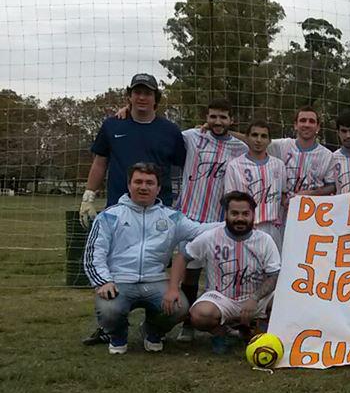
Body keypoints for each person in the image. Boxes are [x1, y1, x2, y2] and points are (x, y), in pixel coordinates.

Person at [79, 73, 187, 347]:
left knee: (152, 267)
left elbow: (180, 168)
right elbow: (100, 162)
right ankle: (111, 326)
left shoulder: (170, 131)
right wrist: (88, 196)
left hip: (157, 212)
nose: (142, 97)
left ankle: (154, 326)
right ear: (129, 96)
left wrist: (177, 202)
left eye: (147, 93)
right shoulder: (112, 125)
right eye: (137, 92)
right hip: (120, 209)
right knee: (115, 266)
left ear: (156, 99)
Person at [83, 162, 207, 354]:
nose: (143, 187)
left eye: (149, 183)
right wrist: (103, 281)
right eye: (138, 182)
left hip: (155, 280)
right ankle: (117, 335)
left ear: (158, 188)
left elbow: (201, 231)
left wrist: (232, 226)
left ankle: (152, 331)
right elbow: (94, 253)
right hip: (118, 281)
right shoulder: (109, 216)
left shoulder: (172, 218)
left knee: (179, 307)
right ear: (129, 185)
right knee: (109, 310)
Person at [165, 191, 281, 354]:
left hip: (255, 298)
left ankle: (255, 330)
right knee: (199, 314)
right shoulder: (211, 236)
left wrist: (255, 298)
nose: (240, 218)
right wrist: (173, 288)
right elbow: (182, 257)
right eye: (234, 213)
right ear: (225, 214)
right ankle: (221, 333)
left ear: (253, 215)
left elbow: (274, 275)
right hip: (222, 298)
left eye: (245, 214)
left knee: (284, 301)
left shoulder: (265, 240)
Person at [174, 98, 249, 342]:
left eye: (223, 117)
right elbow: (165, 134)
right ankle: (187, 323)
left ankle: (224, 322)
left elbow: (259, 142)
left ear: (231, 120)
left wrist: (232, 132)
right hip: (189, 216)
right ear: (206, 117)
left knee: (221, 272)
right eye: (213, 116)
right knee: (190, 271)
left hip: (219, 220)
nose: (218, 121)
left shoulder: (238, 147)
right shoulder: (192, 137)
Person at [224, 121, 287, 251]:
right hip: (247, 228)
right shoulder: (234, 166)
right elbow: (230, 200)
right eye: (254, 135)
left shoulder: (279, 165)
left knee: (273, 263)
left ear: (269, 141)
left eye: (263, 136)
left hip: (273, 229)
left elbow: (283, 196)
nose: (258, 140)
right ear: (247, 138)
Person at [269, 106, 335, 198]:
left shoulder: (327, 155)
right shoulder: (281, 145)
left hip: (312, 205)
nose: (307, 125)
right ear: (295, 125)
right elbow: (255, 142)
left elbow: (331, 186)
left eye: (311, 121)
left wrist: (310, 194)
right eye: (303, 120)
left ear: (318, 127)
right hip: (283, 205)